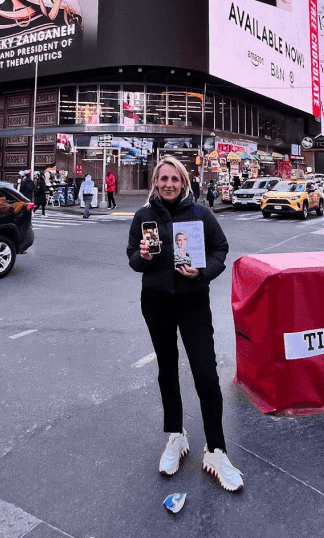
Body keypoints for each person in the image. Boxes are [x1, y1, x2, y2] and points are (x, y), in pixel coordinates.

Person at [127, 156, 243, 492]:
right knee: (167, 369)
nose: (168, 184)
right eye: (162, 179)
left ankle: (216, 450)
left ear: (184, 182)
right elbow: (132, 257)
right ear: (155, 182)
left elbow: (220, 248)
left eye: (174, 179)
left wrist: (203, 271)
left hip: (193, 302)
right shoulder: (143, 216)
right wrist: (143, 258)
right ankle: (175, 436)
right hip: (156, 303)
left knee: (206, 373)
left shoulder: (201, 215)